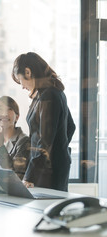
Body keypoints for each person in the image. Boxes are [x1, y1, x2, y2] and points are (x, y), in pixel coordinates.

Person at [11, 52, 76, 191]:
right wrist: (59, 149)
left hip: (47, 170)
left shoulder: (48, 95)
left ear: (28, 72)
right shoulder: (52, 92)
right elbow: (71, 127)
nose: (22, 86)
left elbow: (45, 142)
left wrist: (29, 176)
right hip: (51, 165)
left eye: (19, 79)